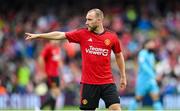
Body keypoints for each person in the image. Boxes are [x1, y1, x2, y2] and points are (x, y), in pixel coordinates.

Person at [25, 8, 127, 110]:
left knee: (116, 108)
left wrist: (123, 75)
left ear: (99, 20)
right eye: (86, 19)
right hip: (89, 84)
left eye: (90, 20)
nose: (87, 22)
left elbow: (119, 55)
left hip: (107, 82)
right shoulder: (82, 34)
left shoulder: (112, 37)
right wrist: (39, 35)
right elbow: (60, 34)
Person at [128, 39, 163, 111]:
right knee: (138, 98)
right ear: (146, 44)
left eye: (153, 43)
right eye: (151, 43)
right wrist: (154, 75)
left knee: (156, 98)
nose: (153, 45)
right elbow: (144, 66)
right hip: (143, 80)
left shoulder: (152, 54)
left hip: (151, 80)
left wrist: (156, 74)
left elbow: (152, 67)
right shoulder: (142, 53)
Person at [38, 40, 62, 110]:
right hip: (51, 74)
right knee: (56, 93)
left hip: (56, 74)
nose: (56, 41)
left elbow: (57, 62)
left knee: (54, 94)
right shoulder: (48, 48)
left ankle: (51, 109)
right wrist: (43, 72)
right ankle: (40, 108)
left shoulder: (57, 49)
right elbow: (41, 58)